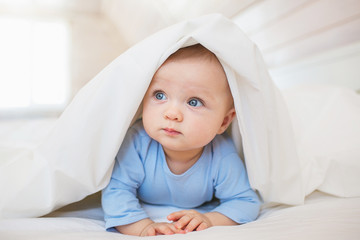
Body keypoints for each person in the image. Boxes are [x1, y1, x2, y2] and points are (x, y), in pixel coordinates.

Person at [101, 44, 261, 236]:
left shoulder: (221, 154)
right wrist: (142, 227)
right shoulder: (136, 143)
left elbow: (245, 202)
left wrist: (210, 219)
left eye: (194, 102)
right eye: (160, 95)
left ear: (224, 121)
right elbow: (116, 191)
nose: (172, 113)